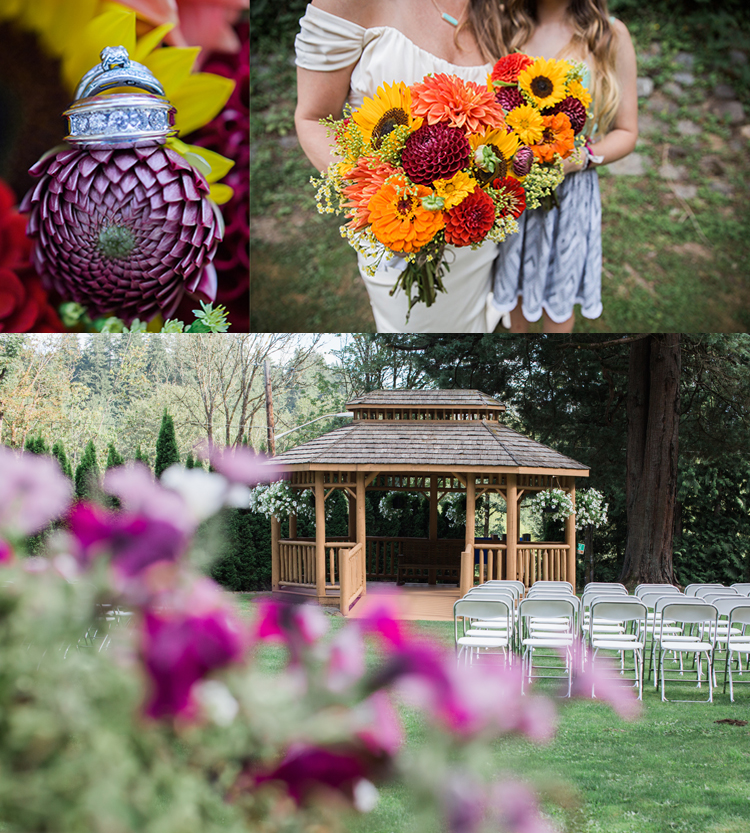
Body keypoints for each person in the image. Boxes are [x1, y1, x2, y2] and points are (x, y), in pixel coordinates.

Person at [294, 0, 509, 333]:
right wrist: (382, 197)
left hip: (474, 228)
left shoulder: (503, 9)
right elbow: (312, 118)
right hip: (399, 229)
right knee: (414, 331)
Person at [490, 0, 638, 333]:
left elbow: (627, 132)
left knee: (559, 303)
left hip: (571, 194)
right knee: (513, 288)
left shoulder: (609, 34)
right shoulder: (503, 26)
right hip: (514, 187)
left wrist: (582, 158)